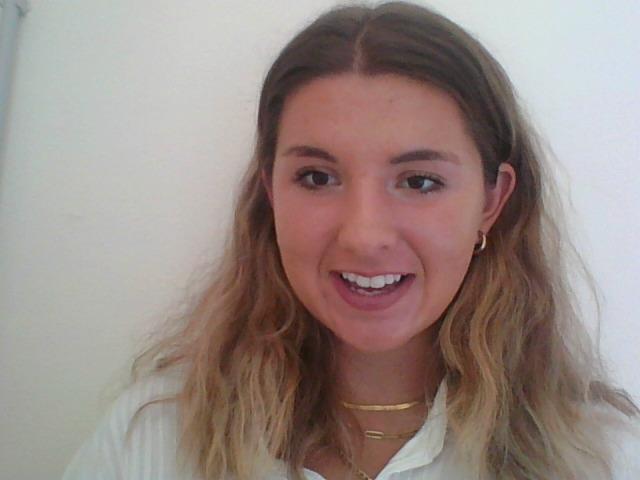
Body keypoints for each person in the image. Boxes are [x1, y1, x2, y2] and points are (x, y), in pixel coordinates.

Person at [62, 2, 640, 479]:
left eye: (419, 182)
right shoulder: (150, 437)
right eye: (317, 177)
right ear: (271, 191)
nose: (364, 236)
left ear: (492, 201)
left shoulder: (604, 455)